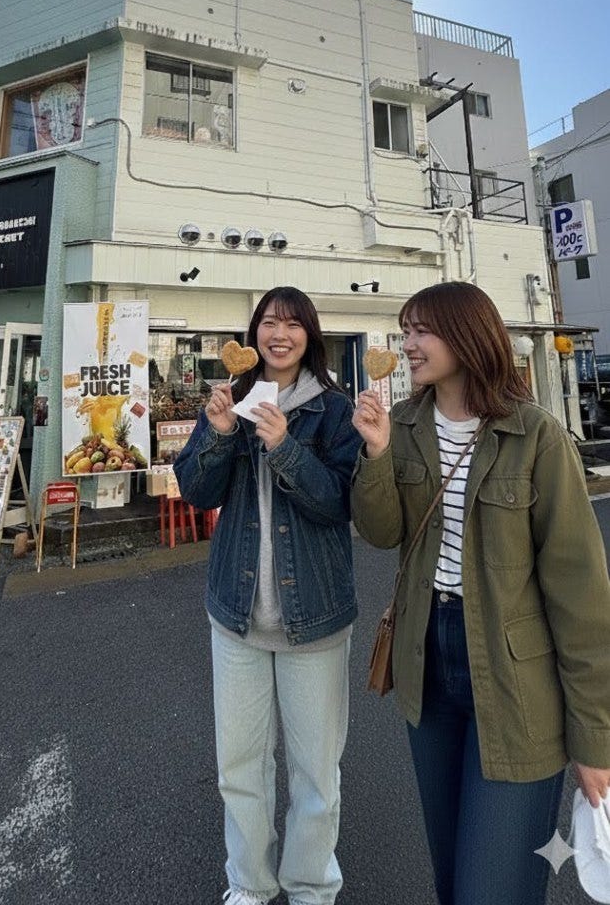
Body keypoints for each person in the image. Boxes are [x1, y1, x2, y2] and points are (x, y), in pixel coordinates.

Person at [351, 281, 610, 905]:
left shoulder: (535, 434)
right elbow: (382, 532)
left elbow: (580, 597)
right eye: (405, 332)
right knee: (451, 871)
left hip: (517, 673)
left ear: (467, 337)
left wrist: (595, 737)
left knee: (492, 885)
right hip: (427, 659)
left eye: (422, 331)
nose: (408, 345)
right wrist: (377, 452)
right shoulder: (403, 424)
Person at [174, 287, 361, 905]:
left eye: (292, 323)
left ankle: (310, 886)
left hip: (316, 616)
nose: (280, 334)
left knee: (315, 773)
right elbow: (196, 492)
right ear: (252, 335)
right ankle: (249, 883)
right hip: (237, 614)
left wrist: (284, 447)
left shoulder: (334, 410)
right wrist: (220, 433)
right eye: (269, 323)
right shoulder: (231, 401)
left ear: (310, 335)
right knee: (241, 766)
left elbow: (339, 503)